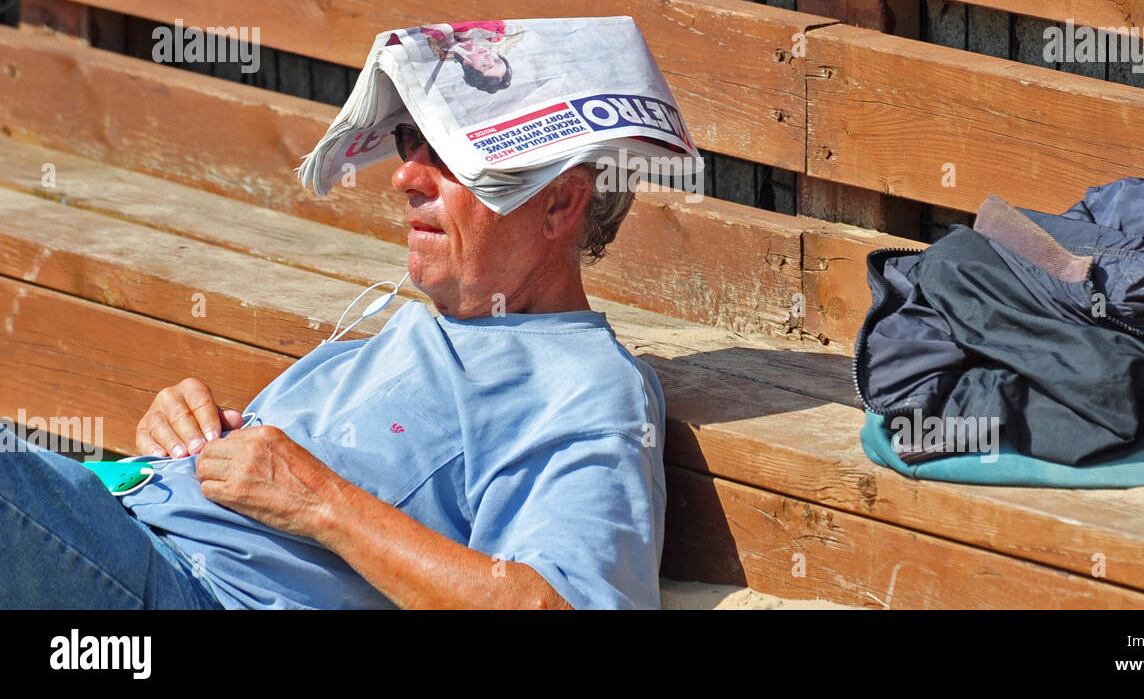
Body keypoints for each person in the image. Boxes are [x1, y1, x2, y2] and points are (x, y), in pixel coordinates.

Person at [0, 120, 663, 610]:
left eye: (453, 155)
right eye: (410, 142)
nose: (404, 176)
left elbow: (558, 605)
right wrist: (185, 441)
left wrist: (317, 501)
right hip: (116, 531)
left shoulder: (584, 387)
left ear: (559, 203)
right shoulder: (414, 332)